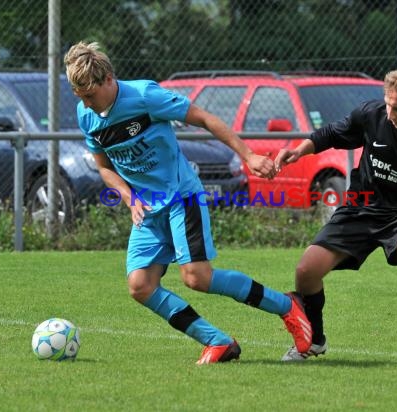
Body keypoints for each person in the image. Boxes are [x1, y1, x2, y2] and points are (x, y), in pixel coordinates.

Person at [63, 41, 311, 365]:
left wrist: (248, 155)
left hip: (182, 196)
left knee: (197, 278)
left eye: (90, 95)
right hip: (147, 209)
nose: (86, 103)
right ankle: (218, 342)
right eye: (80, 96)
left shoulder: (144, 96)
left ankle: (287, 306)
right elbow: (104, 168)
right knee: (140, 286)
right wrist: (128, 196)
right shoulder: (87, 115)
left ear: (109, 78)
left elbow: (206, 119)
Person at [274, 64, 397, 372]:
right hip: (360, 207)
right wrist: (299, 151)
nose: (390, 113)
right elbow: (330, 134)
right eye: (388, 104)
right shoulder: (373, 114)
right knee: (306, 271)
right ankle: (315, 340)